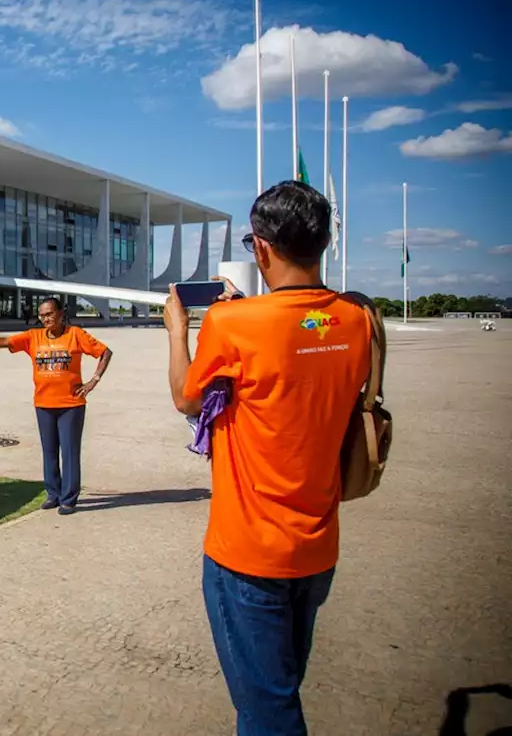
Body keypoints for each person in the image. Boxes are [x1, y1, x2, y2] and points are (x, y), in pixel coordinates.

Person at [163, 180, 371, 736]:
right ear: (324, 241)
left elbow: (187, 396)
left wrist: (179, 332)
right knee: (278, 689)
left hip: (247, 553)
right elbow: (303, 334)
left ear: (260, 247)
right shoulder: (357, 320)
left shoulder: (233, 324)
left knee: (269, 713)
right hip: (317, 546)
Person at [0, 297, 112, 515]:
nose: (47, 318)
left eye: (50, 313)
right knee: (49, 452)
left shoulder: (75, 334)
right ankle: (53, 494)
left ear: (60, 313)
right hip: (43, 404)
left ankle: (69, 499)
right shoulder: (34, 337)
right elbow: (4, 342)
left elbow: (105, 352)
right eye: (43, 315)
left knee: (70, 452)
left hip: (71, 405)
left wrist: (93, 381)